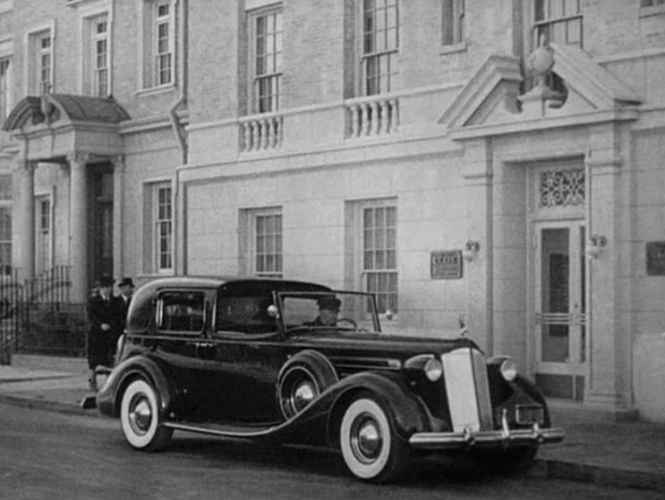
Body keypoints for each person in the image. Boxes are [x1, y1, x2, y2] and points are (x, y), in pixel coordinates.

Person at [86, 275, 122, 391]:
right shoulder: (93, 301)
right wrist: (100, 325)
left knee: (109, 358)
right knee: (95, 359)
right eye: (105, 288)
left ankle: (109, 383)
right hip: (96, 335)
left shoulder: (115, 301)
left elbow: (117, 316)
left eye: (109, 287)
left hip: (110, 334)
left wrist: (113, 325)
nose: (107, 290)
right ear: (100, 289)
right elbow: (91, 317)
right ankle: (93, 379)